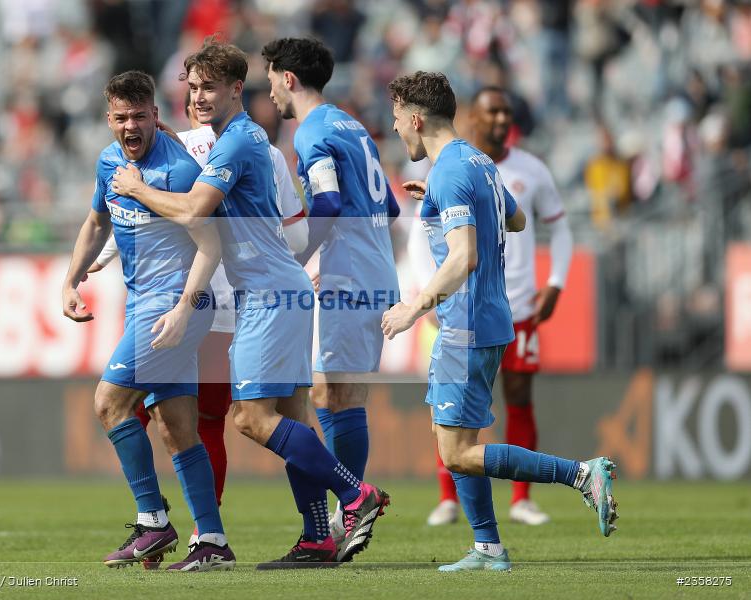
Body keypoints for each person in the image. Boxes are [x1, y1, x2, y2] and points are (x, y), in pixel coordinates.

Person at [110, 37, 390, 569]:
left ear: (238, 89)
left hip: (265, 294)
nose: (198, 97)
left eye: (209, 88)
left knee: (249, 419)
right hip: (282, 288)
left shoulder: (238, 141)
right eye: (192, 88)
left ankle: (356, 495)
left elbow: (195, 209)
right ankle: (316, 538)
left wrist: (136, 188)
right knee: (292, 420)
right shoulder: (240, 139)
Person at [382, 71, 618, 572]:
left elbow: (463, 255)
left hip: (464, 322)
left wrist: (413, 306)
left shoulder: (452, 171)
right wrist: (439, 198)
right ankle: (487, 548)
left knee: (457, 452)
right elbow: (516, 220)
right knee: (455, 441)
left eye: (399, 121)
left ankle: (582, 475)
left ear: (418, 119)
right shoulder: (479, 163)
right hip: (488, 319)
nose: (399, 131)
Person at [89, 91, 309, 562]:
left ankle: (162, 524)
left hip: (201, 301)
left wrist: (99, 260)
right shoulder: (264, 150)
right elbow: (297, 233)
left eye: (200, 91)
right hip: (244, 305)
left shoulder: (184, 149)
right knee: (189, 423)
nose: (197, 102)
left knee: (169, 416)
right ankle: (212, 536)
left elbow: (165, 215)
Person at [61, 70, 234, 572]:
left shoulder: (178, 171)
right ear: (108, 119)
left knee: (110, 404)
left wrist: (184, 308)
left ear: (156, 116)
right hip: (145, 305)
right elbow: (97, 222)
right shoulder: (110, 161)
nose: (130, 125)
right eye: (121, 117)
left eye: (140, 115)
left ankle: (153, 522)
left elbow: (211, 244)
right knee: (177, 428)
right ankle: (214, 542)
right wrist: (70, 281)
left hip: (173, 306)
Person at [262, 37, 400, 541]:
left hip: (349, 277)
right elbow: (389, 208)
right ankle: (349, 514)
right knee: (339, 395)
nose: (269, 88)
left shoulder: (311, 131)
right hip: (374, 269)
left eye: (271, 77)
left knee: (327, 394)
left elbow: (328, 203)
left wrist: (296, 260)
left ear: (288, 78)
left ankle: (350, 512)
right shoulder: (352, 125)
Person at [426, 86, 575, 527]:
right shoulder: (468, 166)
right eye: (493, 111)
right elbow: (433, 236)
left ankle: (522, 500)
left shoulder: (525, 169)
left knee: (505, 399)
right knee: (454, 413)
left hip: (515, 302)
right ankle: (453, 504)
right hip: (469, 302)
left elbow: (558, 228)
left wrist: (557, 283)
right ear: (473, 114)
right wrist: (429, 291)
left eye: (507, 111)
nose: (501, 119)